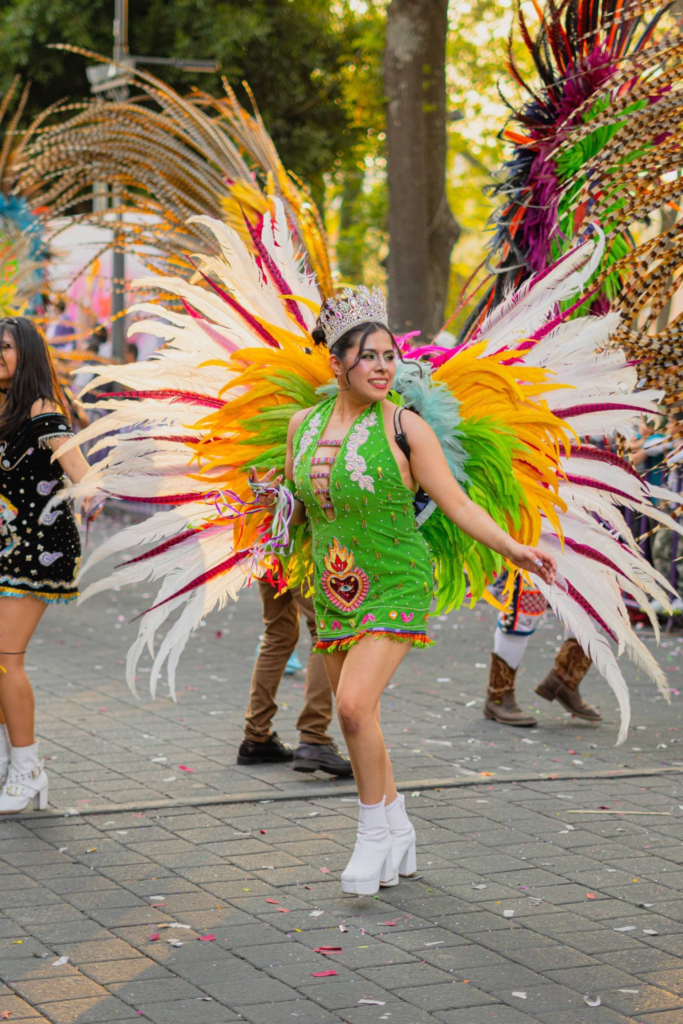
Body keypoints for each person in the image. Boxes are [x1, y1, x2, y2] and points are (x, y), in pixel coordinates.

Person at [254, 289, 556, 895]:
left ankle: (372, 837)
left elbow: (457, 503)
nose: (382, 367)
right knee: (361, 720)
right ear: (337, 362)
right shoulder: (302, 427)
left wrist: (512, 547)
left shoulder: (404, 425)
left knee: (351, 707)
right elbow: (301, 510)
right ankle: (398, 829)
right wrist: (271, 503)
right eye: (368, 356)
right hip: (334, 586)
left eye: (389, 356)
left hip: (396, 579)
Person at [0, 316, 95, 813]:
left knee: (4, 659)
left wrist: (92, 492)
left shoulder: (42, 411)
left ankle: (29, 769)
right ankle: (7, 764)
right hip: (5, 548)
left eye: (5, 346)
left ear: (28, 354)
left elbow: (80, 470)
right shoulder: (4, 410)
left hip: (39, 551)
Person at [237, 579, 352, 775]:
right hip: (304, 559)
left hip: (267, 558)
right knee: (323, 629)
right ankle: (314, 737)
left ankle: (256, 734)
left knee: (277, 633)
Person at [484, 572, 601, 726]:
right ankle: (498, 696)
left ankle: (564, 680)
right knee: (522, 614)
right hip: (536, 558)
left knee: (593, 608)